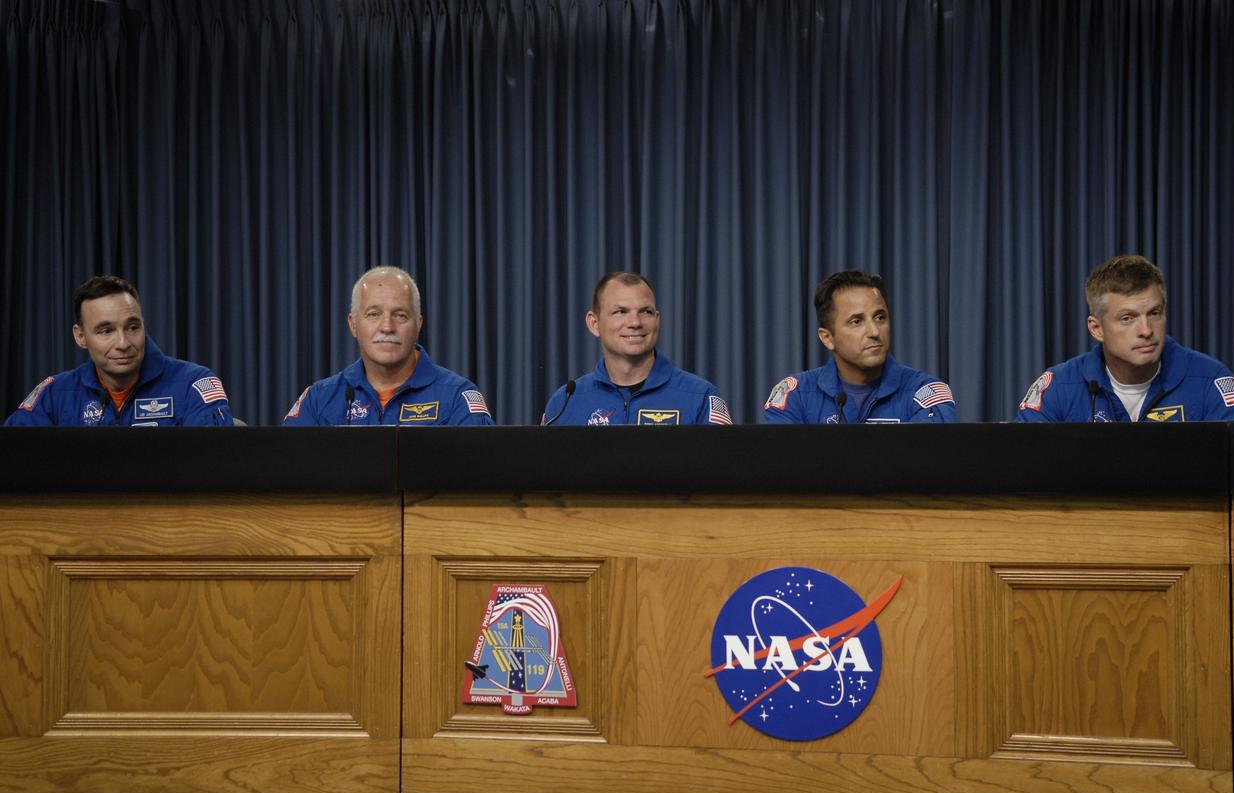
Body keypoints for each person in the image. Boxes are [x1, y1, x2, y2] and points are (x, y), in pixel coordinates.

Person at [1016, 255, 1234, 422]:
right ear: (1096, 328)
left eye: (1154, 313)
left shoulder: (1210, 379)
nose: (1146, 330)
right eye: (1127, 318)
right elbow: (1020, 460)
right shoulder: (1059, 387)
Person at [5, 275, 233, 426]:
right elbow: (14, 457)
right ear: (80, 336)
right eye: (106, 331)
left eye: (133, 327)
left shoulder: (194, 385)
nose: (123, 342)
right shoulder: (55, 394)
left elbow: (211, 464)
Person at [284, 266, 493, 426]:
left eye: (400, 315)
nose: (387, 326)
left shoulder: (457, 397)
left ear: (418, 325)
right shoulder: (319, 399)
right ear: (353, 325)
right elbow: (284, 471)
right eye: (373, 314)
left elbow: (482, 477)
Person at [762, 269, 956, 424]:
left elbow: (928, 466)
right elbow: (780, 469)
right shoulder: (795, 395)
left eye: (880, 317)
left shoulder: (925, 392)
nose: (874, 331)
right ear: (827, 338)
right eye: (856, 321)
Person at [541, 271, 732, 426]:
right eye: (620, 312)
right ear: (594, 323)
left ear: (657, 320)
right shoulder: (565, 402)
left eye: (646, 312)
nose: (635, 322)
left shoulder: (701, 397)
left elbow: (723, 470)